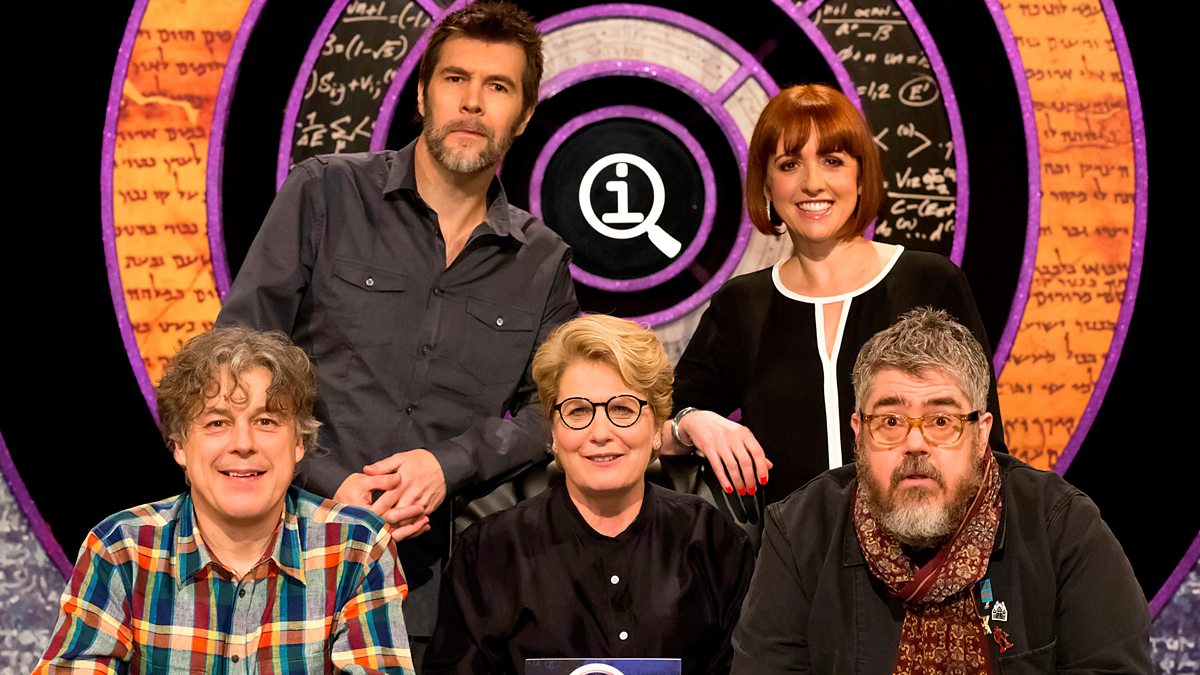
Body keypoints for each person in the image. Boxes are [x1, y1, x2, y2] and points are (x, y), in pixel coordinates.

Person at [214, 1, 579, 653]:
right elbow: (237, 362)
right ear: (422, 94)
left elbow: (554, 408)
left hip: (428, 596)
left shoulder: (542, 259)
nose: (472, 102)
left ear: (524, 116)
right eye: (455, 79)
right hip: (276, 566)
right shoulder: (325, 192)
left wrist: (448, 465)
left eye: (498, 87)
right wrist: (331, 480)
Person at [731, 308, 1150, 673]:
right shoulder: (799, 533)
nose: (915, 443)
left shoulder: (1060, 524)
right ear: (858, 433)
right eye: (890, 422)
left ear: (981, 434)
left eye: (941, 421)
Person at [666, 84, 1005, 503]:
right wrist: (691, 422)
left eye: (832, 161)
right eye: (789, 164)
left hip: (925, 541)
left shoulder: (930, 281)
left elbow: (988, 447)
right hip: (784, 545)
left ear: (861, 177)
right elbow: (653, 427)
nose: (812, 183)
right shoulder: (742, 304)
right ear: (766, 185)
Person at [36, 327, 413, 672]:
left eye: (266, 421)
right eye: (217, 422)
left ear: (299, 443)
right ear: (179, 445)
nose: (243, 444)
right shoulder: (120, 549)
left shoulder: (357, 548)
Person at [424, 315, 755, 675]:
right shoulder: (489, 552)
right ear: (553, 432)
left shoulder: (713, 541)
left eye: (623, 409)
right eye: (579, 411)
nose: (600, 433)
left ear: (657, 429)